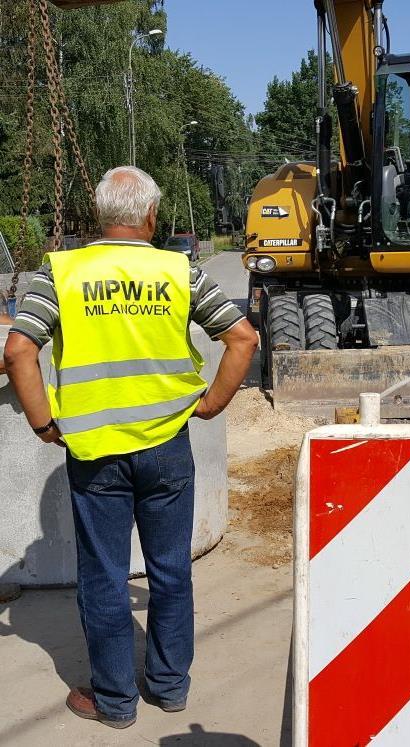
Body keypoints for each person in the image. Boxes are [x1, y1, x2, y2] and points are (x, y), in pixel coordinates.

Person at [2, 166, 258, 729]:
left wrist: (44, 423)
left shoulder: (61, 271)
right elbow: (242, 338)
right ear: (151, 215)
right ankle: (169, 689)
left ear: (99, 215)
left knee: (104, 577)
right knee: (170, 571)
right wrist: (211, 403)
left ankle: (114, 702)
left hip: (94, 454)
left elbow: (20, 350)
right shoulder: (178, 270)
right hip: (167, 444)